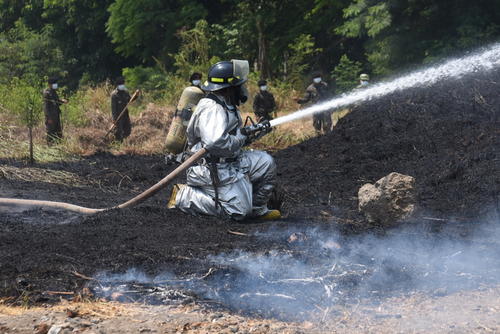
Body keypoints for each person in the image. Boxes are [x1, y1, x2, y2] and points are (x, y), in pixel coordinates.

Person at [168, 60, 281, 221]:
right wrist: (241, 137)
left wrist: (252, 134)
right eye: (238, 85)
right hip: (211, 168)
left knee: (266, 163)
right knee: (238, 212)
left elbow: (232, 137)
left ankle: (257, 209)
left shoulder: (226, 104)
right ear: (228, 88)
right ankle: (184, 195)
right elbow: (215, 143)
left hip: (230, 162)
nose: (242, 89)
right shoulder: (212, 108)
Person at [43, 77, 67, 145]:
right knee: (50, 132)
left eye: (56, 83)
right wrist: (48, 118)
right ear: (50, 84)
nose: (56, 85)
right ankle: (50, 146)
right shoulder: (47, 93)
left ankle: (58, 145)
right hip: (50, 116)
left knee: (58, 131)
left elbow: (56, 103)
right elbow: (46, 107)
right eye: (54, 83)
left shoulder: (54, 92)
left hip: (56, 115)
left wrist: (62, 101)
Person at [110, 76, 132, 141]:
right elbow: (113, 108)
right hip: (118, 116)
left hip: (125, 115)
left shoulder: (125, 92)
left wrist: (136, 96)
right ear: (117, 85)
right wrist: (114, 119)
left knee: (128, 130)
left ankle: (124, 141)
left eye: (123, 84)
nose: (122, 85)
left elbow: (130, 100)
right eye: (120, 84)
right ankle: (118, 143)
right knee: (119, 131)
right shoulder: (114, 95)